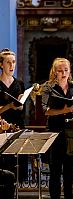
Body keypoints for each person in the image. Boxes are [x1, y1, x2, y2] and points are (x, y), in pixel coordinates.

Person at [41, 57, 73, 199]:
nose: (63, 73)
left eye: (66, 70)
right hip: (55, 132)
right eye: (60, 70)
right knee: (55, 171)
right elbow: (46, 110)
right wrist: (64, 110)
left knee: (69, 172)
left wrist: (72, 111)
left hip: (71, 133)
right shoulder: (48, 87)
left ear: (70, 70)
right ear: (54, 72)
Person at [0, 48, 27, 183]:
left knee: (17, 163)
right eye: (8, 62)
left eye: (14, 62)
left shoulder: (19, 83)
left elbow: (22, 108)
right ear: (1, 64)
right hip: (1, 127)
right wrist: (9, 106)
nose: (12, 66)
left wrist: (21, 104)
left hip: (17, 125)